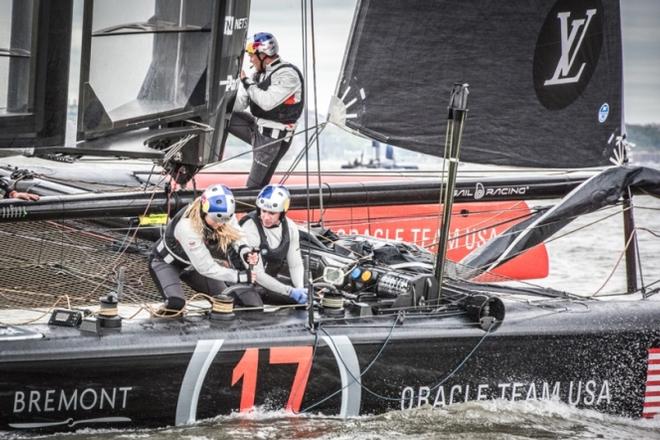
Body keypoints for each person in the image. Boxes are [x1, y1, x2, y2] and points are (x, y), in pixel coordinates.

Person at [149, 184, 258, 313]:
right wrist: (239, 276)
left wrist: (244, 251)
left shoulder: (223, 214)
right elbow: (206, 268)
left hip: (192, 267)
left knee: (227, 300)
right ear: (204, 210)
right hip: (167, 262)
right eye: (215, 220)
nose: (219, 224)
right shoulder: (187, 227)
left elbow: (236, 234)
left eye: (223, 221)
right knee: (175, 304)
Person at [229, 32, 304, 189]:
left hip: (273, 139)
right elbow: (241, 104)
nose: (250, 60)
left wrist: (246, 82)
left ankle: (256, 212)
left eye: (252, 56)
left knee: (253, 189)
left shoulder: (288, 74)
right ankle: (183, 173)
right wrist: (221, 100)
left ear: (263, 55)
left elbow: (267, 102)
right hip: (257, 129)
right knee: (221, 116)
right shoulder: (258, 74)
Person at [240, 184, 308, 305]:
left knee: (304, 299)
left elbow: (295, 265)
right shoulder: (250, 228)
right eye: (263, 211)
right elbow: (258, 274)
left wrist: (299, 289)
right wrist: (289, 291)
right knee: (255, 307)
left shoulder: (291, 228)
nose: (265, 217)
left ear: (282, 213)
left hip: (267, 282)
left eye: (272, 213)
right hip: (243, 281)